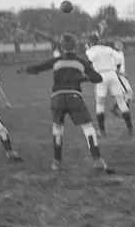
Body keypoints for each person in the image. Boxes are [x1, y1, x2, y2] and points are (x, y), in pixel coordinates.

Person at [18, 33, 109, 172]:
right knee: (88, 128)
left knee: (57, 128)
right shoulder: (81, 62)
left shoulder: (56, 61)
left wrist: (24, 69)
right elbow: (98, 78)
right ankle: (97, 160)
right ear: (75, 46)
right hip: (75, 97)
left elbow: (38, 68)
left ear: (62, 47)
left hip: (57, 98)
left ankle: (56, 162)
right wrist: (84, 77)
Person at [85, 34, 133, 137]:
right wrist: (118, 69)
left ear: (91, 43)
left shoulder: (90, 50)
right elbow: (119, 57)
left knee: (100, 105)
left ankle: (102, 132)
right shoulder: (107, 48)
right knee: (121, 103)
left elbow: (89, 60)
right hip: (112, 74)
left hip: (100, 76)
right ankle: (130, 130)